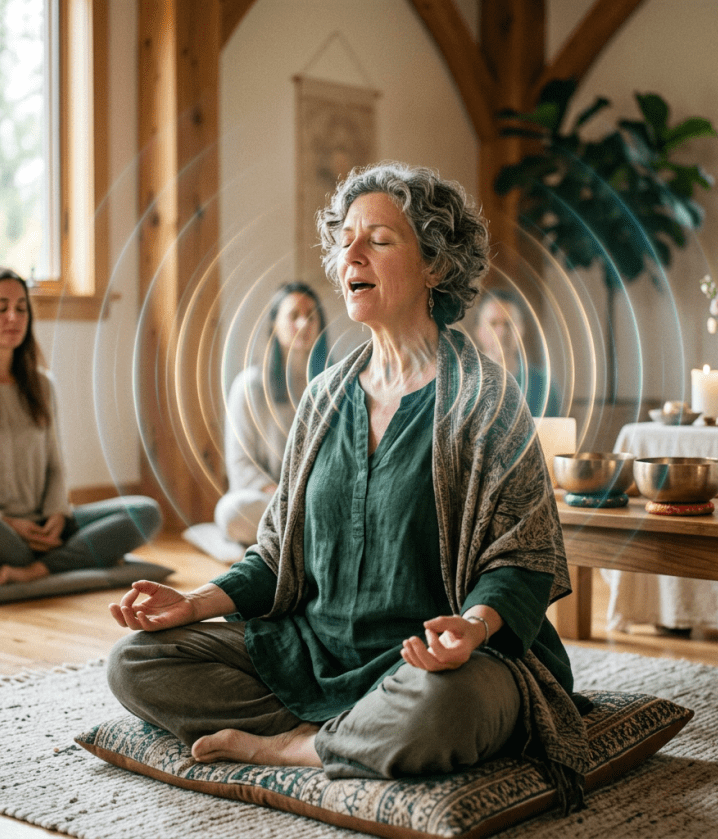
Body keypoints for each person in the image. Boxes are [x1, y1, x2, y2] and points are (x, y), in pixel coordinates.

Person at [107, 162, 590, 808]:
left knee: (452, 704)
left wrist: (471, 630)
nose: (349, 254)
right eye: (345, 240)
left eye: (378, 239)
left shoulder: (487, 397)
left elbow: (523, 562)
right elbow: (276, 555)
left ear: (435, 266)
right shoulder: (324, 397)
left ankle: (293, 746)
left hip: (433, 665)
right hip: (315, 649)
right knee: (135, 661)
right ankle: (351, 734)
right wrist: (191, 604)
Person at [0, 266, 163, 586]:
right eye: (0, 308)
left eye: (22, 308)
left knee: (146, 512)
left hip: (45, 524)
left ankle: (35, 569)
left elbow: (55, 465)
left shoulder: (42, 386)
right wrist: (9, 522)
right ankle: (65, 557)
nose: (13, 318)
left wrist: (58, 515)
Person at [214, 282, 327, 546]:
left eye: (311, 315)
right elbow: (241, 465)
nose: (303, 323)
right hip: (273, 500)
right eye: (294, 315)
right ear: (275, 323)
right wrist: (287, 497)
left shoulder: (336, 383)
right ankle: (311, 536)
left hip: (322, 498)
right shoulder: (249, 386)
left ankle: (298, 536)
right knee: (231, 511)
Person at [472, 287, 562, 417]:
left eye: (508, 323)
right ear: (478, 331)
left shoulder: (544, 388)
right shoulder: (459, 384)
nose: (501, 332)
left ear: (521, 329)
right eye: (493, 323)